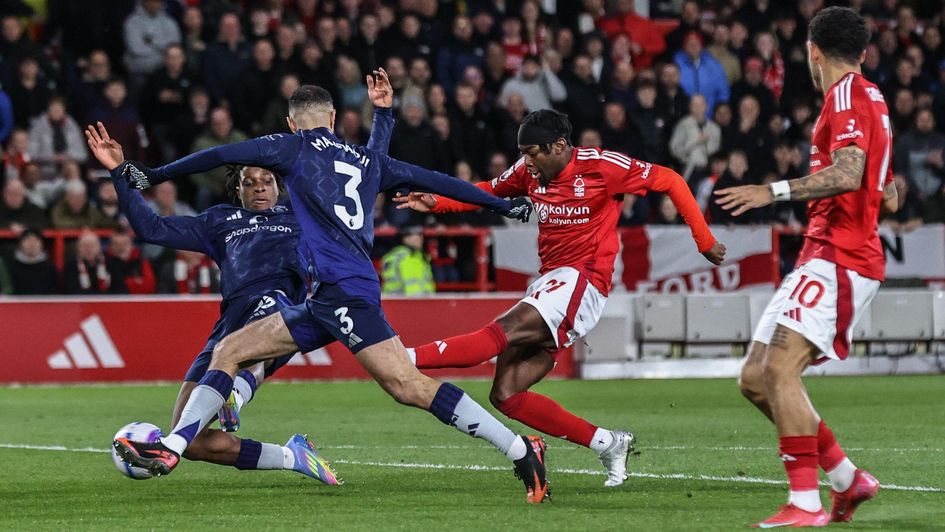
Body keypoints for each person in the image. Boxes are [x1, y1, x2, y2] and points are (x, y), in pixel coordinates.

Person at [104, 75, 548, 504]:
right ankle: (179, 444)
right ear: (334, 117)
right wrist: (502, 204)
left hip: (343, 293)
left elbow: (220, 152)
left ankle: (520, 448)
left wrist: (156, 173)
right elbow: (438, 180)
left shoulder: (292, 147)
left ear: (292, 123)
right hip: (324, 298)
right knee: (230, 350)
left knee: (407, 386)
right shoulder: (369, 161)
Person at [86, 73, 397, 484]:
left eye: (267, 179)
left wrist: (384, 118)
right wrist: (120, 172)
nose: (260, 186)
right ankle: (291, 456)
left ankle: (237, 392)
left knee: (257, 331)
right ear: (238, 189)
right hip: (228, 323)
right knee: (194, 438)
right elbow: (151, 229)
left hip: (281, 309)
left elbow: (365, 178)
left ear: (279, 183)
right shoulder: (220, 222)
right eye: (249, 182)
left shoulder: (303, 215)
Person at [394, 109, 726, 487]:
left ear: (559, 146)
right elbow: (488, 191)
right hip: (551, 282)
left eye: (533, 152)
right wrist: (439, 202)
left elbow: (670, 180)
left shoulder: (601, 166)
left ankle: (402, 359)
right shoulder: (528, 172)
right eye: (523, 153)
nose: (526, 161)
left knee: (501, 331)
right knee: (506, 394)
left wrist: (704, 240)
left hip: (584, 280)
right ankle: (608, 442)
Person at [714, 7, 895, 527]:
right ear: (861, 51)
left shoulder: (846, 95)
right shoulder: (873, 100)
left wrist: (770, 191)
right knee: (754, 378)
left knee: (779, 369)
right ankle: (844, 477)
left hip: (841, 253)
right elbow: (889, 190)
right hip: (824, 252)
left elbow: (849, 172)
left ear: (813, 51)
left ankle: (805, 505)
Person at [381, 226, 435, 296]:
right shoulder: (409, 256)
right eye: (418, 235)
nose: (421, 239)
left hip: (392, 301)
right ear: (406, 238)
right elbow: (413, 288)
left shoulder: (392, 256)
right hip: (410, 302)